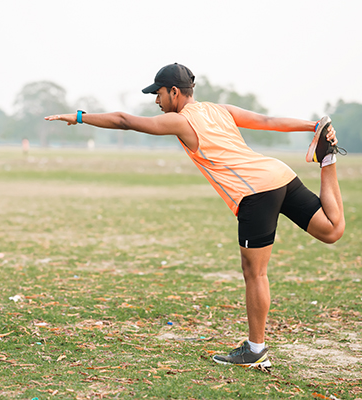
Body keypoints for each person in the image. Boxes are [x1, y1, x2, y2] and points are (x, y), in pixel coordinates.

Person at [45, 63, 346, 368]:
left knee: (254, 272)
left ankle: (255, 350)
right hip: (279, 174)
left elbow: (125, 121)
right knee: (331, 230)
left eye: (158, 93)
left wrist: (80, 116)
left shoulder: (180, 122)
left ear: (174, 92)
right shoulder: (219, 109)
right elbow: (267, 121)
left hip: (255, 192)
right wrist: (313, 126)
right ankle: (329, 158)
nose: (156, 101)